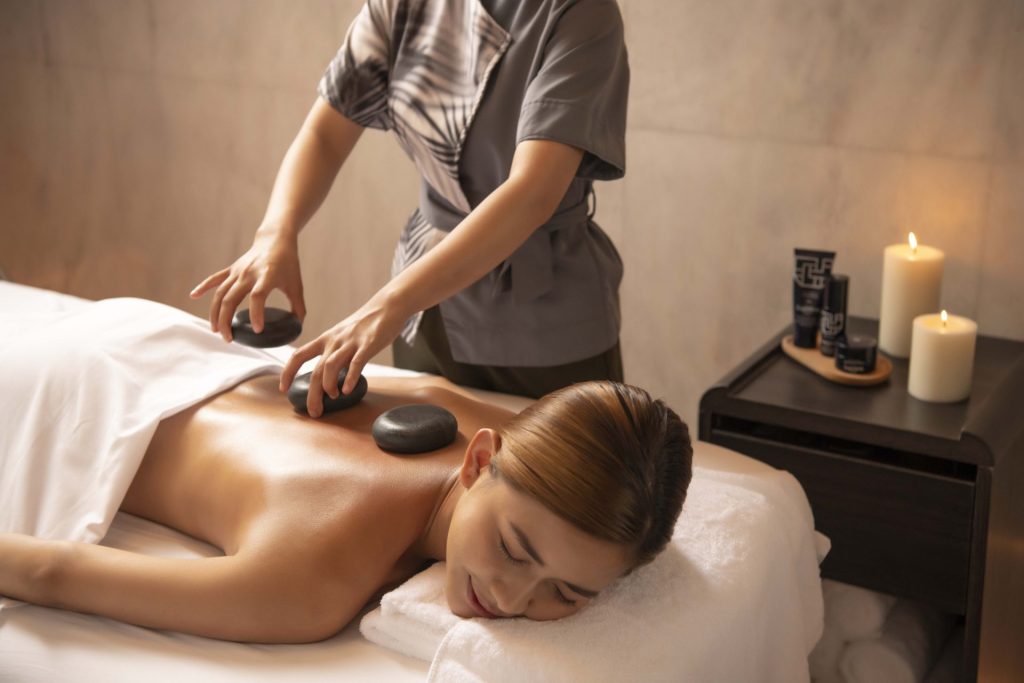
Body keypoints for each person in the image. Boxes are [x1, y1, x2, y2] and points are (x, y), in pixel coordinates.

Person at [0, 304, 691, 644]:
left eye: (566, 593)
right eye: (516, 549)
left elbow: (617, 443)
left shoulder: (491, 425)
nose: (512, 597)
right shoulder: (316, 576)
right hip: (56, 399)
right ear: (481, 460)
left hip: (151, 331)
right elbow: (52, 573)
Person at [190, 0, 630, 416]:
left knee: (562, 489)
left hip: (544, 324)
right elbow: (327, 132)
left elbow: (531, 194)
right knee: (424, 476)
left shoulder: (580, 11)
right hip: (426, 312)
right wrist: (275, 235)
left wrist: (384, 309)